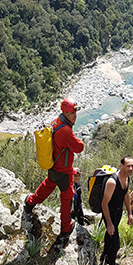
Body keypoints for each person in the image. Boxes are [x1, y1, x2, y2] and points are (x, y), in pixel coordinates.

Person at [25, 97, 85, 247]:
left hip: (54, 166)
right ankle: (66, 227)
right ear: (65, 113)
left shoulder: (56, 122)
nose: (75, 116)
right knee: (67, 198)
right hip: (64, 171)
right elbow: (79, 147)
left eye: (75, 112)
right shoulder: (65, 130)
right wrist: (79, 140)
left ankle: (30, 203)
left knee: (47, 185)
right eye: (72, 113)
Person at [99, 155, 133, 265]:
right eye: (128, 166)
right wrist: (109, 223)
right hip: (108, 211)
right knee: (115, 241)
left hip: (118, 211)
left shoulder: (127, 179)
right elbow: (104, 204)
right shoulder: (112, 182)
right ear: (121, 166)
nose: (130, 168)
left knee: (110, 236)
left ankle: (104, 259)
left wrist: (129, 213)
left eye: (132, 166)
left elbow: (125, 195)